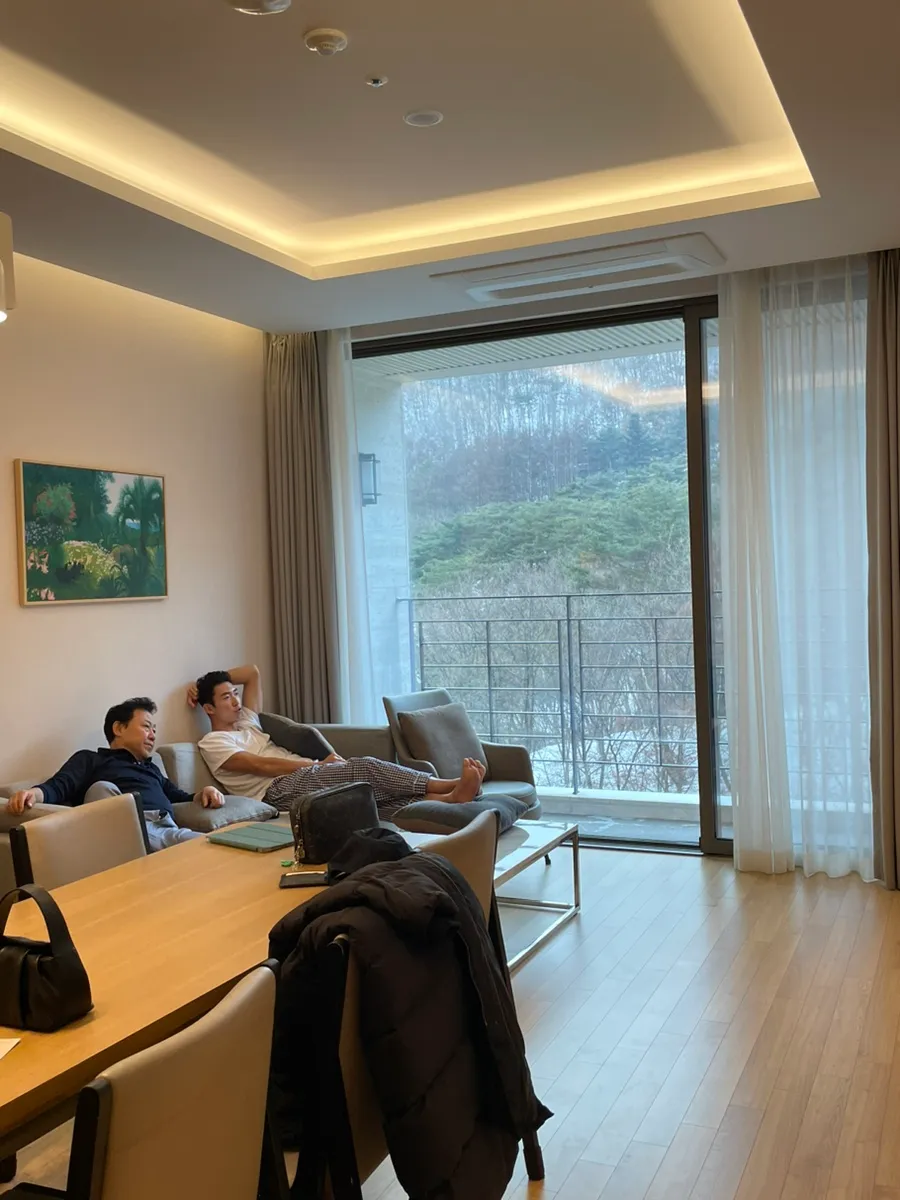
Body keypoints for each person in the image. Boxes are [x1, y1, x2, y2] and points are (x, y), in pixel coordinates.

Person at [191, 665, 485, 818]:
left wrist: (202, 683)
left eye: (235, 694)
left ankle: (449, 800)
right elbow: (260, 765)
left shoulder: (246, 721)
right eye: (226, 697)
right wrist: (317, 765)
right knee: (365, 769)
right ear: (209, 708)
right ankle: (445, 784)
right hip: (274, 790)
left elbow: (251, 673)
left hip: (298, 777)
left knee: (364, 801)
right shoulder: (213, 742)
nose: (235, 701)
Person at [6, 697, 225, 851]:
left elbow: (180, 796)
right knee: (101, 788)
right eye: (146, 727)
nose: (152, 735)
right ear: (119, 728)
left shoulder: (151, 768)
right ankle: (133, 850)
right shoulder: (91, 759)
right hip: (123, 827)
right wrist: (33, 794)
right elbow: (58, 786)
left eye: (154, 730)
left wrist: (204, 792)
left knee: (217, 847)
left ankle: (143, 855)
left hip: (166, 829)